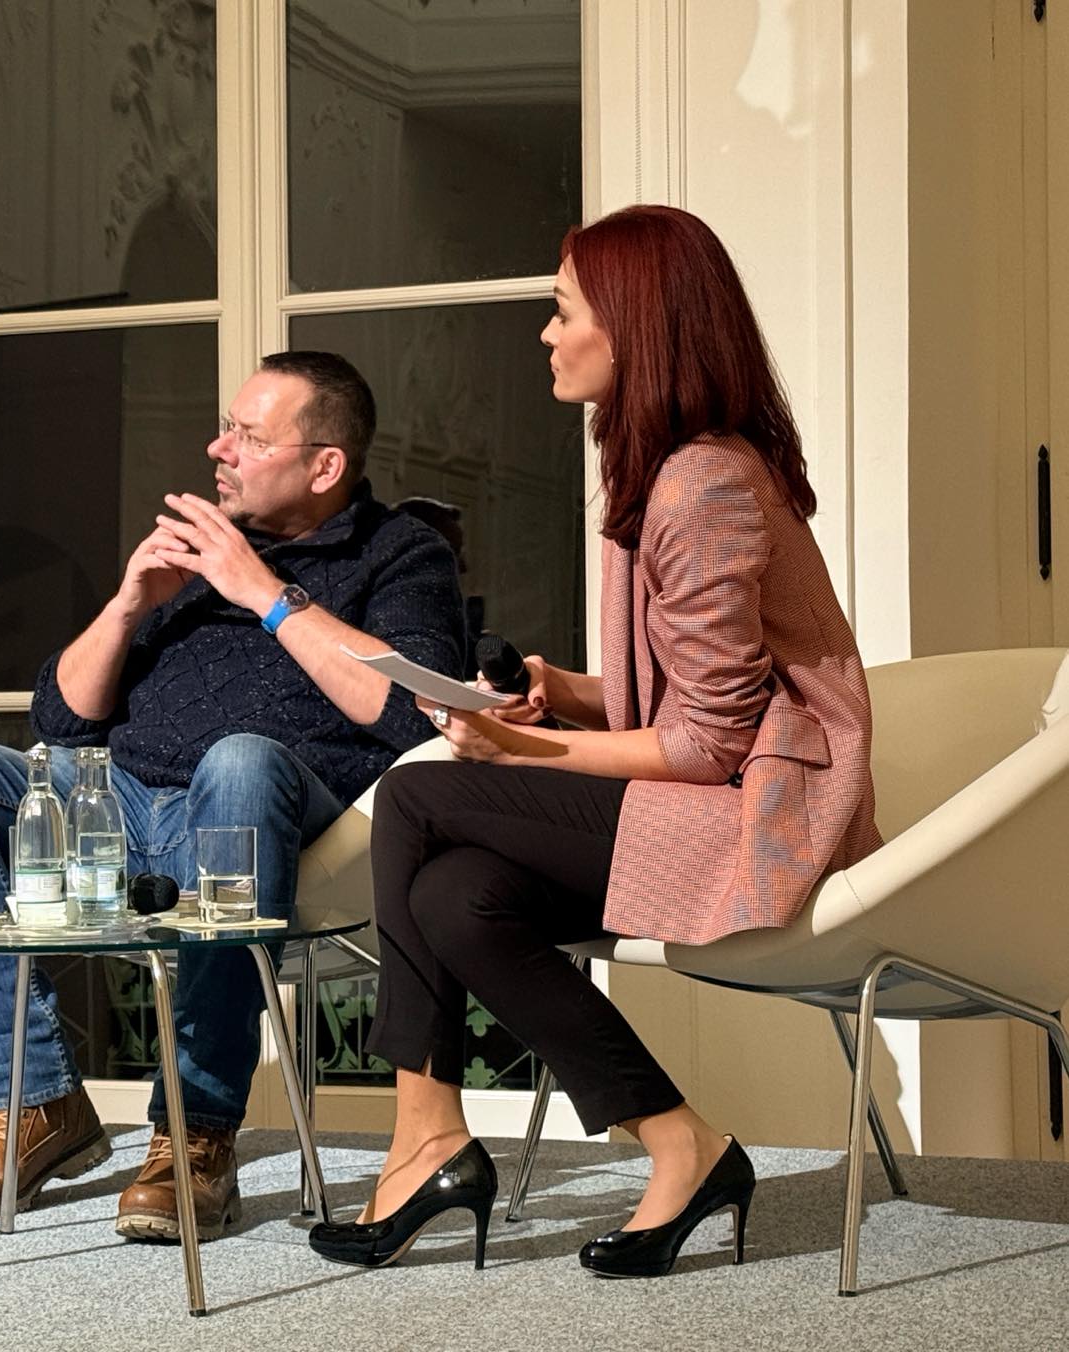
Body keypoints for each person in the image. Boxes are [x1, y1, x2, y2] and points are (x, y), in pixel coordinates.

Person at [308, 205, 880, 1278]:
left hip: (766, 815)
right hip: (723, 785)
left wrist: (519, 754)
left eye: (560, 307)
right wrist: (556, 690)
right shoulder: (668, 466)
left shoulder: (698, 482)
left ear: (631, 325)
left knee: (419, 798)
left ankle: (422, 1134)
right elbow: (700, 691)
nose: (544, 330)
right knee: (455, 895)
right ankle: (681, 1144)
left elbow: (710, 743)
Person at [0, 351, 465, 1242]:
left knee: (240, 759)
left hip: (252, 816)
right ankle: (35, 1102)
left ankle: (194, 1132)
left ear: (325, 465)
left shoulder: (399, 554)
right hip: (111, 800)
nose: (216, 446)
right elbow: (60, 719)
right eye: (226, 426)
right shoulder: (203, 550)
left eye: (248, 436)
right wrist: (126, 605)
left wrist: (263, 592)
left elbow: (416, 712)